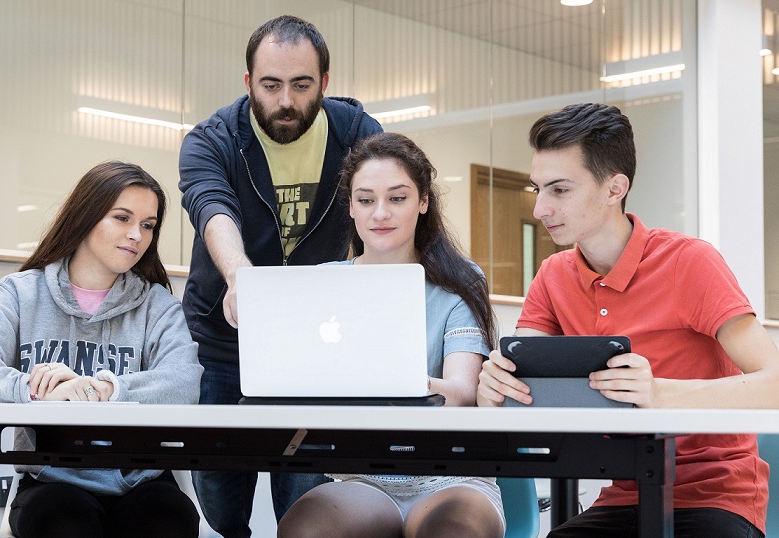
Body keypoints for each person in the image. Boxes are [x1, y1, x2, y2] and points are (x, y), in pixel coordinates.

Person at [477, 103, 779, 537]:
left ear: (615, 188)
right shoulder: (553, 276)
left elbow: (774, 385)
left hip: (714, 497)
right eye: (537, 189)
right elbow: (526, 388)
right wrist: (497, 391)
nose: (541, 208)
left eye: (560, 190)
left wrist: (658, 392)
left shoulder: (689, 262)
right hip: (625, 494)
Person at [178, 14, 382, 537]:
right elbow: (211, 206)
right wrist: (240, 275)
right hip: (225, 343)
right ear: (248, 83)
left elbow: (384, 215)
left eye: (301, 84)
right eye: (270, 85)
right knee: (221, 504)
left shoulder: (357, 134)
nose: (285, 100)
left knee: (304, 502)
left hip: (315, 346)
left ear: (325, 84)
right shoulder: (213, 138)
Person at [276, 132, 505, 538]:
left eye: (397, 198)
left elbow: (461, 394)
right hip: (363, 480)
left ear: (423, 202)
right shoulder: (322, 284)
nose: (380, 213)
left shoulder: (460, 281)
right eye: (366, 200)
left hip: (451, 478)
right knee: (305, 530)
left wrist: (390, 383)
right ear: (350, 206)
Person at [0, 161, 203, 537]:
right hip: (52, 478)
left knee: (168, 521)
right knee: (65, 523)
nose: (136, 236)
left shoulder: (157, 305)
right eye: (122, 218)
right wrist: (40, 391)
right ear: (86, 215)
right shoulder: (18, 294)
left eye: (147, 225)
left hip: (142, 479)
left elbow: (183, 384)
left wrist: (103, 390)